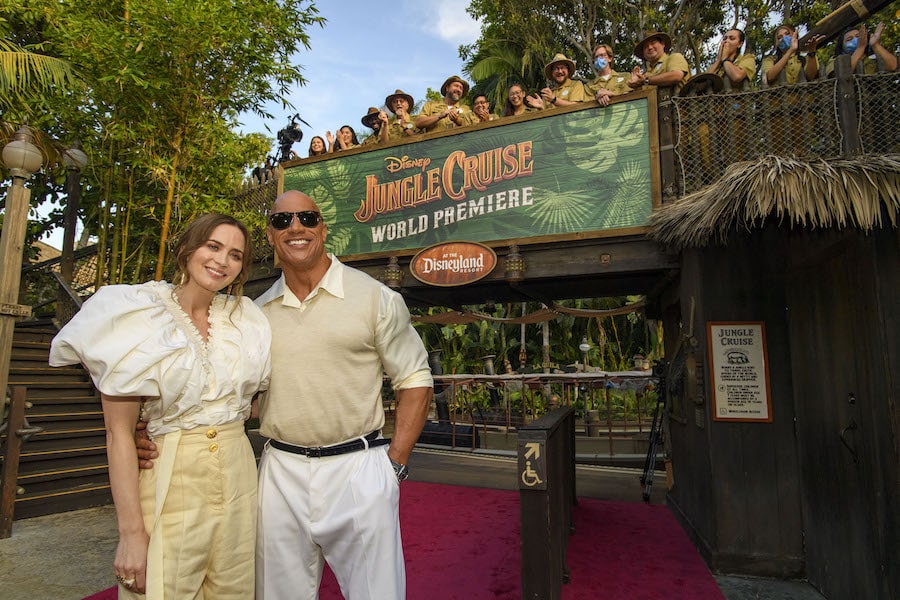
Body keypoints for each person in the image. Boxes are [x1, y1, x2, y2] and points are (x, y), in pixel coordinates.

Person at [50, 213, 271, 598]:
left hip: (239, 473)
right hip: (170, 473)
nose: (222, 261)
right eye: (213, 246)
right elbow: (118, 434)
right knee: (162, 589)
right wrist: (131, 534)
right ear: (186, 249)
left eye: (235, 255)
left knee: (234, 589)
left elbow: (251, 404)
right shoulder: (137, 313)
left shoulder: (247, 320)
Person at [826, 23, 897, 76]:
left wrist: (875, 45)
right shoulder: (834, 60)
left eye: (858, 36)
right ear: (842, 46)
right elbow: (840, 75)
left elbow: (893, 66)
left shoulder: (871, 61)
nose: (855, 40)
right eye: (849, 39)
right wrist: (860, 48)